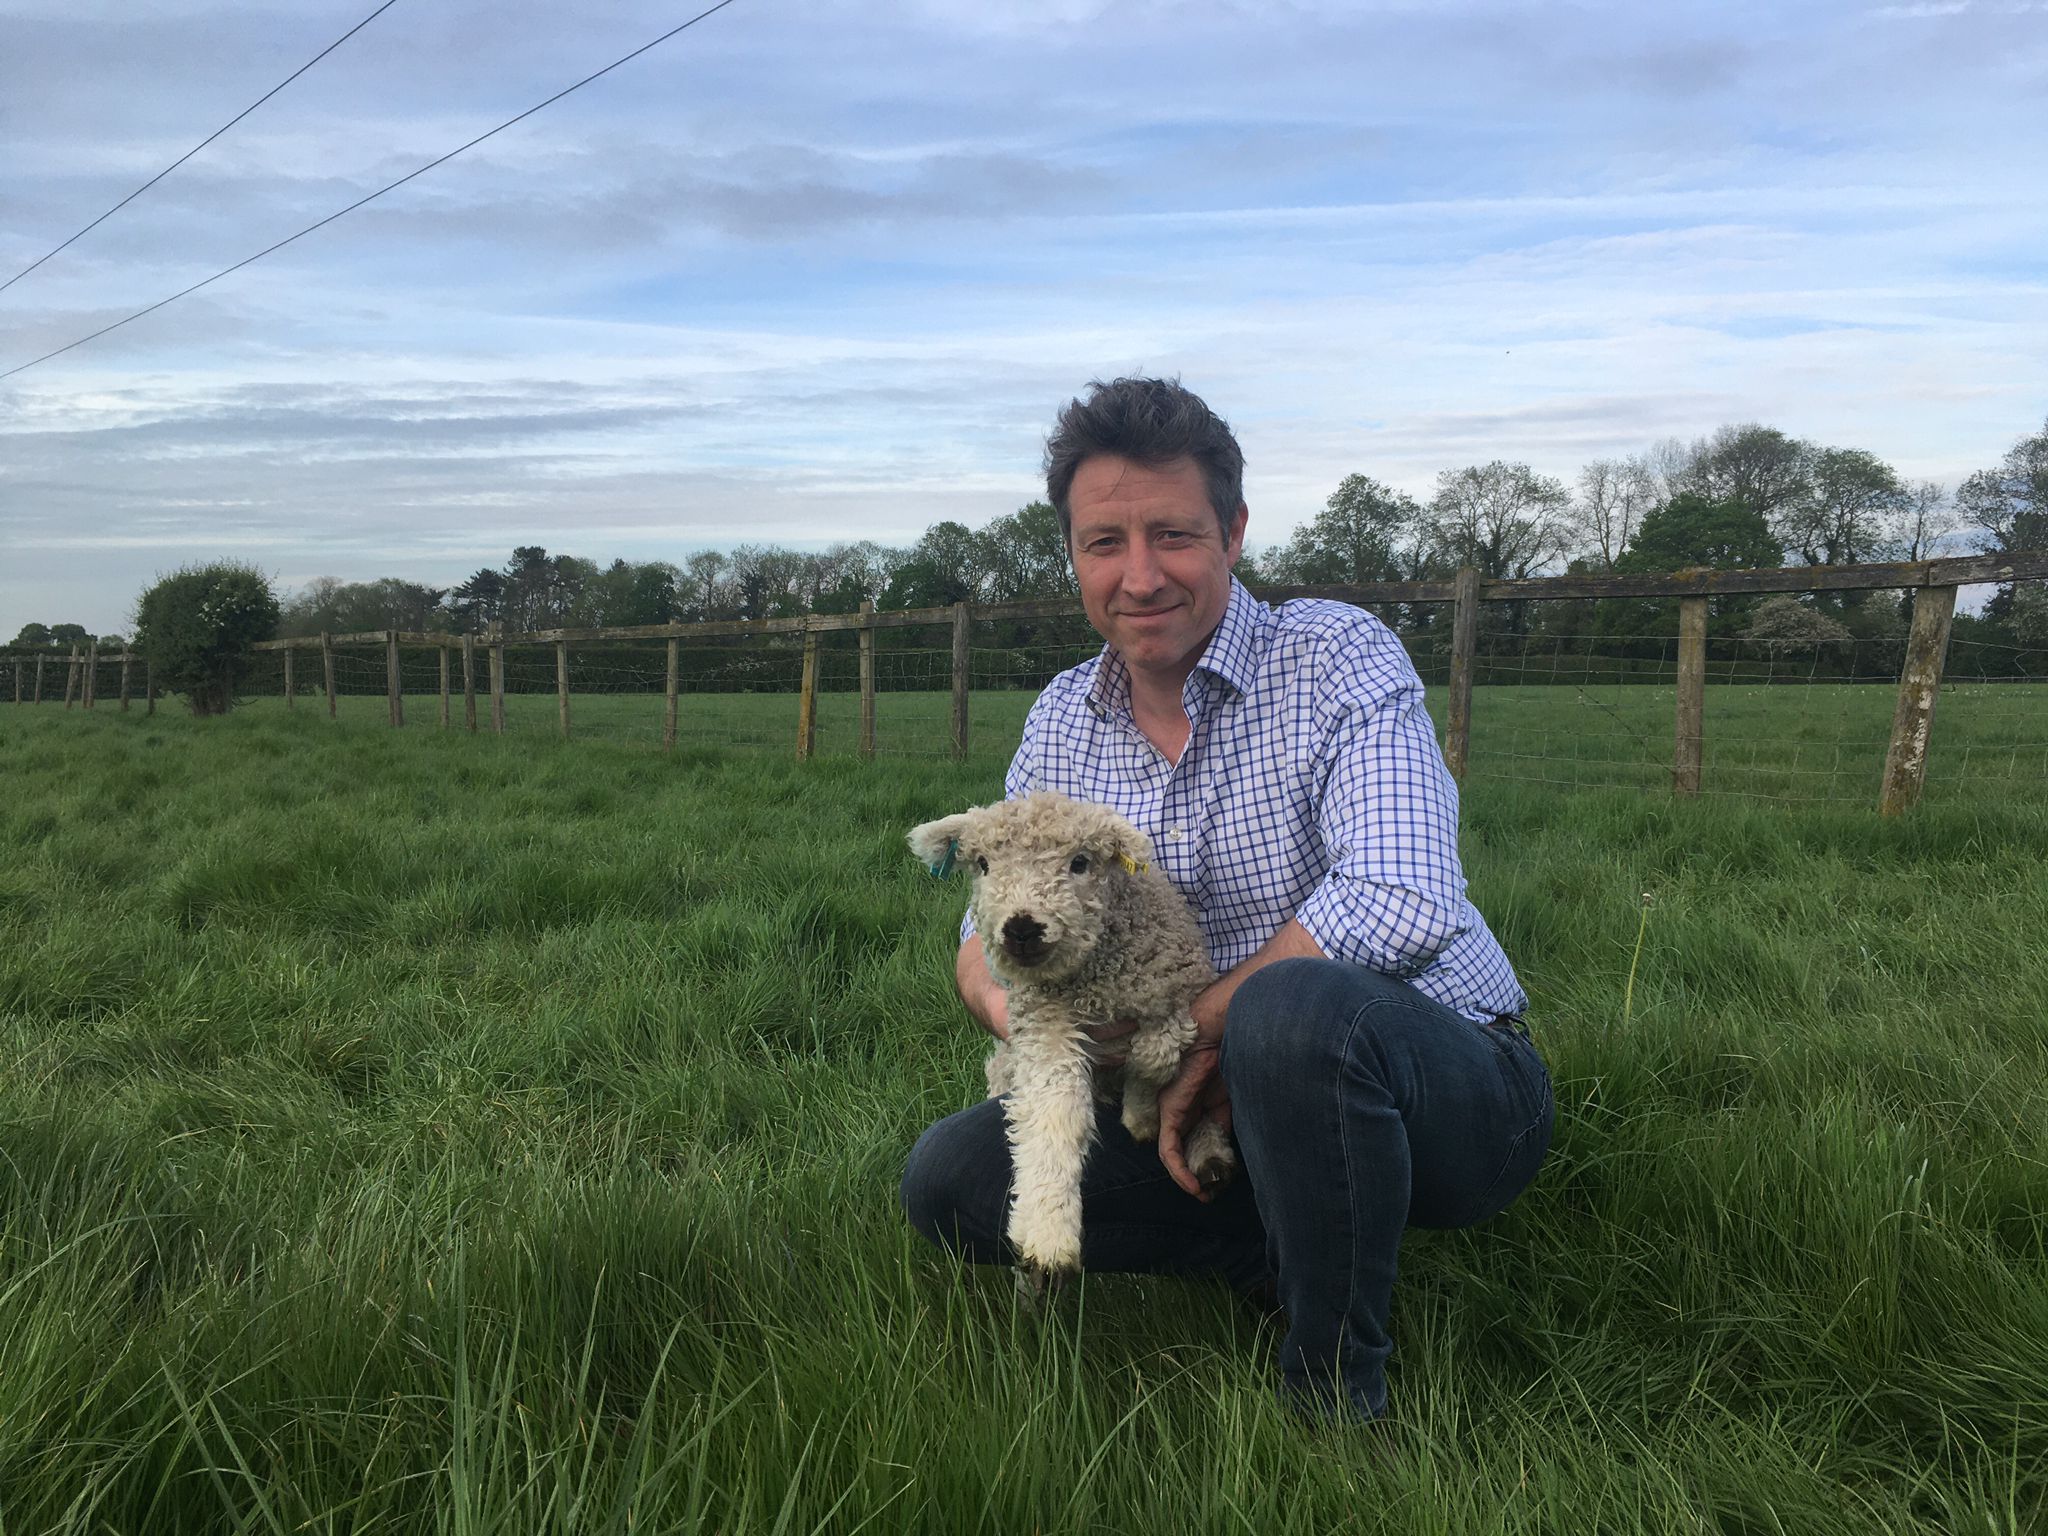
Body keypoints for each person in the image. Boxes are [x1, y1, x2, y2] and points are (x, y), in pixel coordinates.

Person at [899, 376, 1553, 1421]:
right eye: (1103, 543)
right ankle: (1282, 1237)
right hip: (1177, 1093)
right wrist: (1053, 1027)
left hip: (1444, 1087)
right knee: (948, 1181)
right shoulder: (1062, 716)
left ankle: (1333, 1399)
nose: (1140, 576)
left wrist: (1191, 1027)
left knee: (1293, 1012)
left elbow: (1403, 898)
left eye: (1173, 535)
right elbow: (985, 942)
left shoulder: (1335, 655)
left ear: (1235, 530)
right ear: (1070, 553)